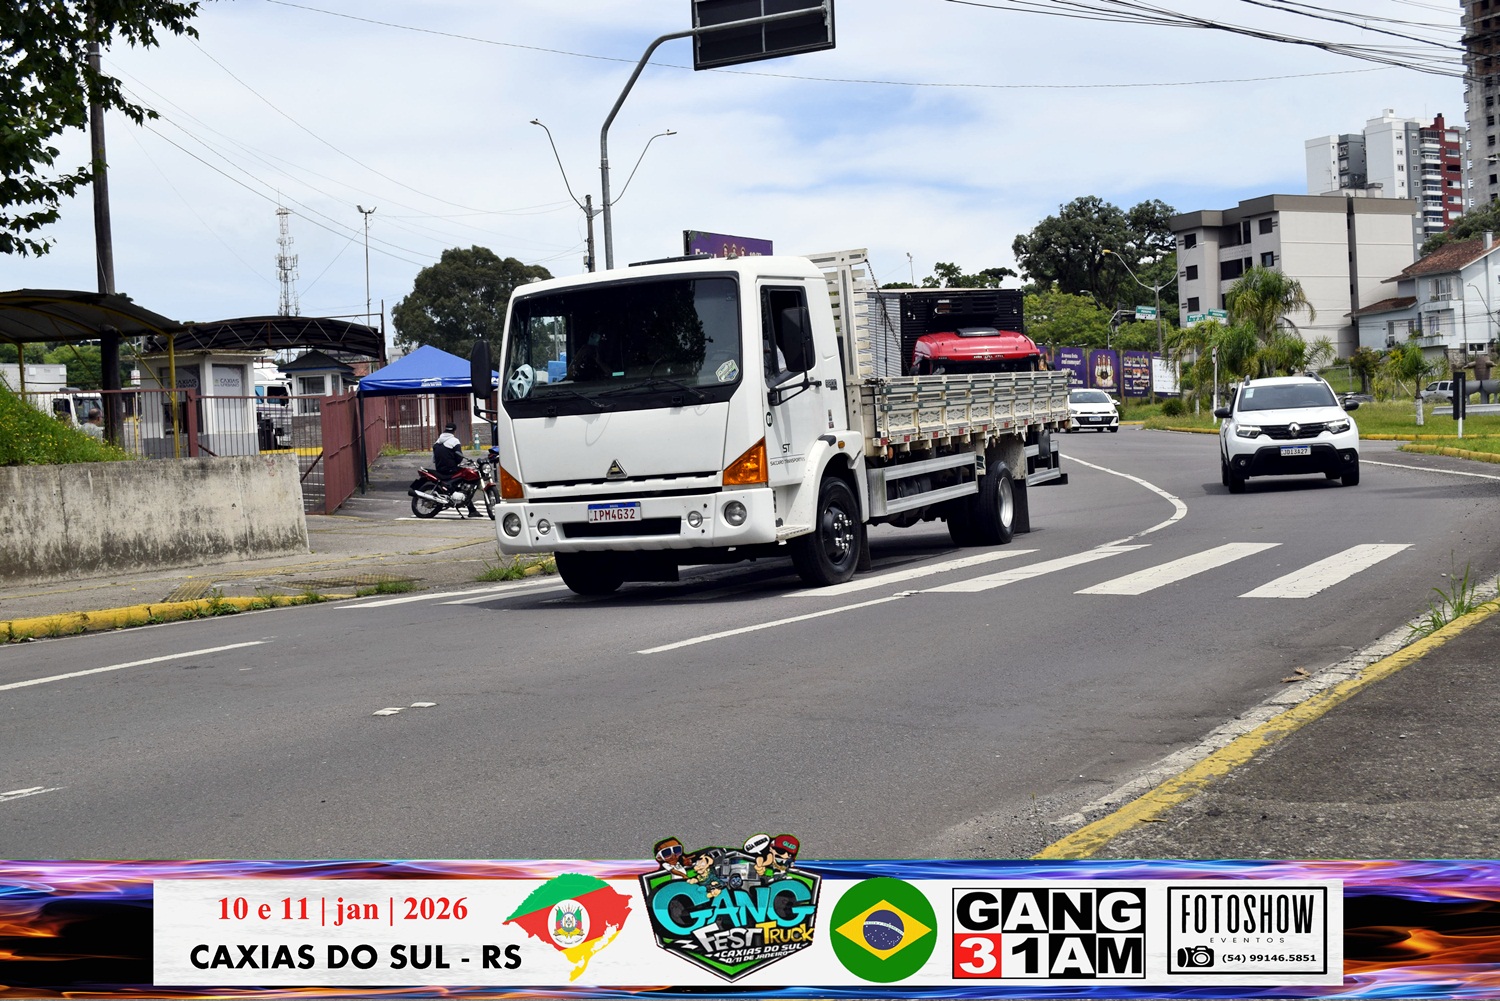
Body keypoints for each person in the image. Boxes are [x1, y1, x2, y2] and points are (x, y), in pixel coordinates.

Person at [432, 423, 479, 516]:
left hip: (439, 469)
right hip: (451, 469)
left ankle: (472, 509)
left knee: (459, 483)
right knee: (466, 478)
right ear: (454, 431)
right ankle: (471, 509)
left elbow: (433, 459)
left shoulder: (437, 442)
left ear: (445, 430)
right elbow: (459, 457)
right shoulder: (454, 441)